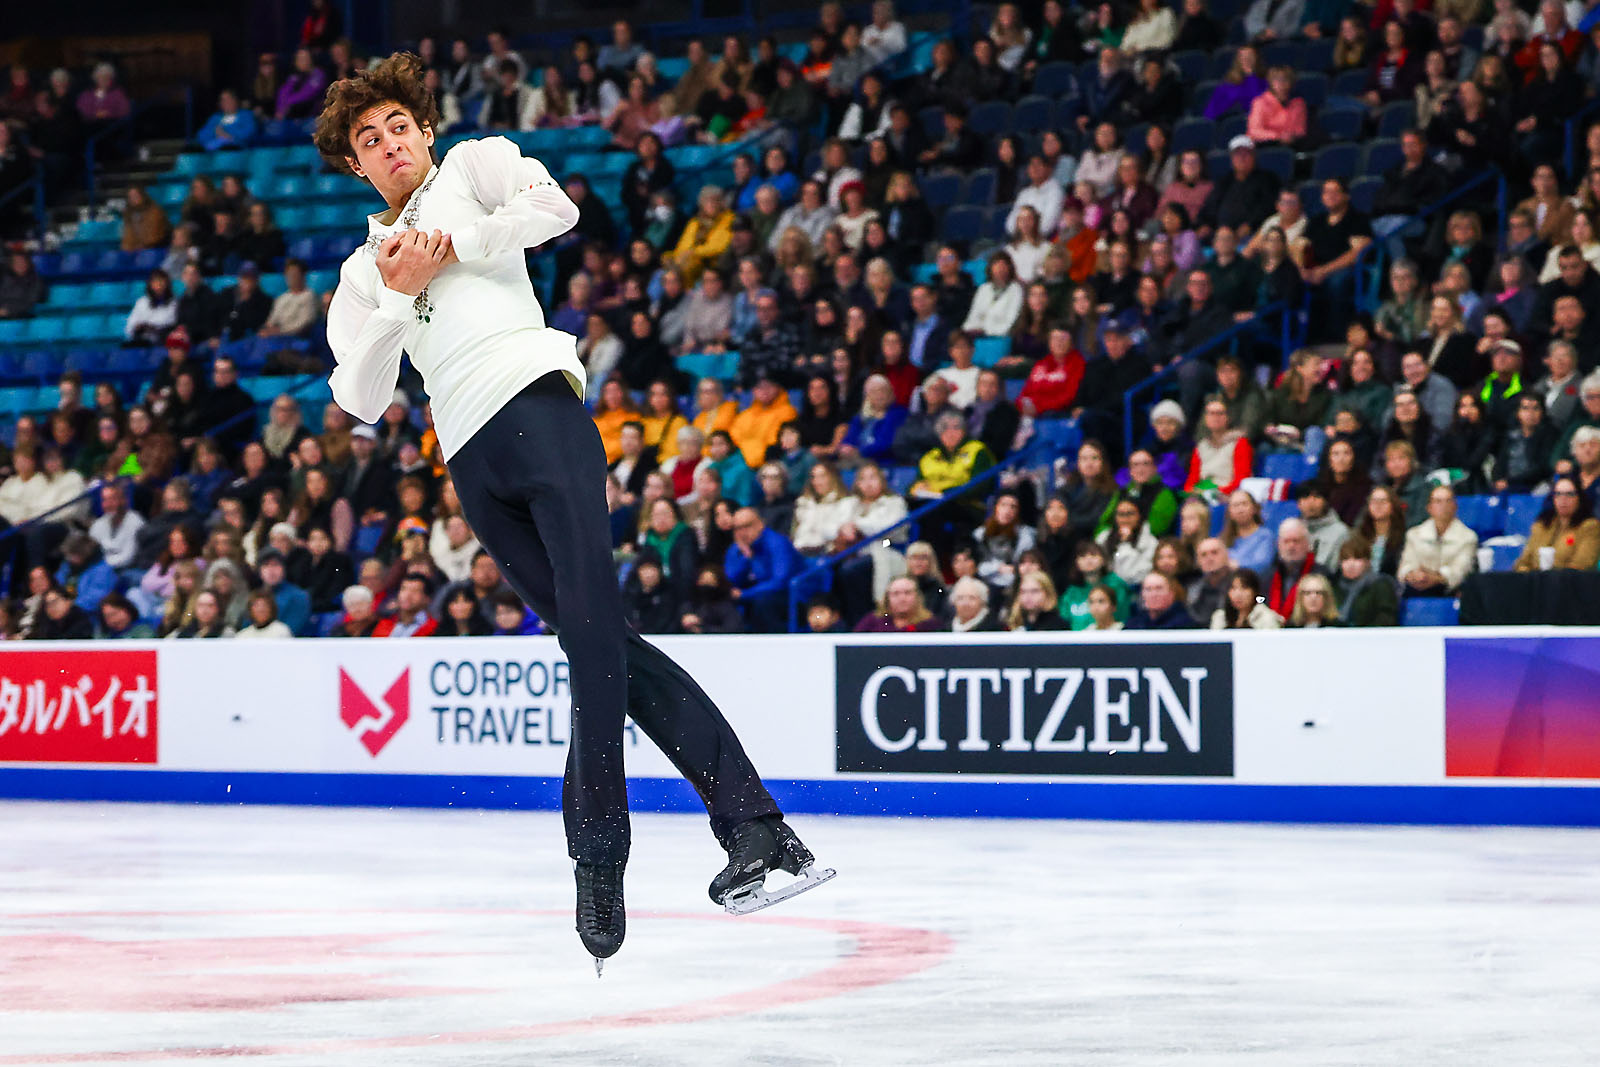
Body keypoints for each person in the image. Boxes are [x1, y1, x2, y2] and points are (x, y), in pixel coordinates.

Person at [1397, 485, 1479, 596]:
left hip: (1450, 588)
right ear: (1429, 507)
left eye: (1448, 501)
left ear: (1455, 506)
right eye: (1438, 501)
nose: (1443, 506)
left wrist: (1437, 578)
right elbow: (1405, 566)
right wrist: (1412, 574)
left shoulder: (1468, 537)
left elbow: (1460, 570)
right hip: (1417, 586)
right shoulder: (1414, 534)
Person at [1514, 476, 1600, 570]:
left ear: (1579, 498)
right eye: (1558, 494)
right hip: (1537, 582)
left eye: (1570, 494)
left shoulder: (1590, 527)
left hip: (1569, 582)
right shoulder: (1541, 526)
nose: (1563, 499)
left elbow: (1581, 565)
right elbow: (1522, 563)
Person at [1332, 536, 1400, 627]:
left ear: (1367, 562)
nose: (1351, 564)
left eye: (1357, 559)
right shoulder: (1334, 586)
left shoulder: (1380, 585)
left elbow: (1387, 618)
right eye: (1346, 559)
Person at [854, 574, 939, 632]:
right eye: (896, 594)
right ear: (887, 598)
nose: (902, 598)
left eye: (907, 593)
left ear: (917, 596)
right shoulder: (872, 621)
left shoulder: (930, 624)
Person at [1211, 568, 1282, 629]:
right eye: (1233, 588)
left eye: (1244, 588)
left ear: (1254, 591)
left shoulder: (1266, 618)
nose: (1238, 594)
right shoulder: (1220, 617)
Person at [1126, 572, 1199, 629]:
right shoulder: (1134, 624)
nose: (1153, 594)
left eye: (1159, 588)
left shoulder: (1185, 625)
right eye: (1148, 589)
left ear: (1172, 593)